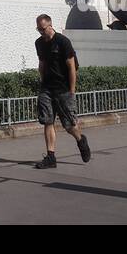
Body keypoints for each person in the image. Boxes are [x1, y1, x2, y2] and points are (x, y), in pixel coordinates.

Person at [33, 14, 91, 168]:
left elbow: (72, 67)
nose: (40, 32)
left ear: (50, 26)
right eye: (38, 29)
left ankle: (80, 140)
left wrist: (72, 90)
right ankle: (51, 157)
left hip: (63, 89)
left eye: (42, 29)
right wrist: (42, 82)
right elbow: (42, 64)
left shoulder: (63, 42)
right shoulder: (39, 43)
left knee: (69, 125)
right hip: (47, 88)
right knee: (47, 121)